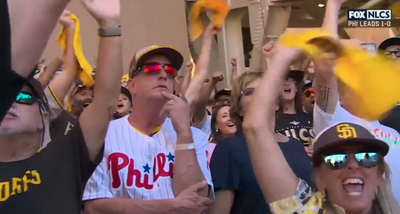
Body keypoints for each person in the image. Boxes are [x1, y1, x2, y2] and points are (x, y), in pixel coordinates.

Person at [242, 40, 400, 213]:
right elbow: (255, 127)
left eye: (367, 156)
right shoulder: (308, 210)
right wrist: (281, 60)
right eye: (336, 160)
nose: (353, 165)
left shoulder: (393, 133)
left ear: (380, 173)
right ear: (319, 177)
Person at [0, 0, 122, 212]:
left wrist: (109, 23)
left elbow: (105, 102)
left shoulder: (68, 157)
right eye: (9, 96)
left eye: (25, 97)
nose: (12, 102)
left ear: (43, 118)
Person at [83, 46, 213, 214]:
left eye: (170, 71)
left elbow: (198, 200)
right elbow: (94, 207)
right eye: (151, 69)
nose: (163, 75)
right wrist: (171, 206)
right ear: (132, 85)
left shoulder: (194, 136)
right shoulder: (103, 134)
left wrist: (184, 133)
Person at [312, 0, 400, 203]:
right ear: (340, 94)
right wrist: (333, 5)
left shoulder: (393, 133)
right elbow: (324, 62)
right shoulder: (333, 120)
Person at [207, 71, 314, 214]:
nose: (259, 95)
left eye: (265, 89)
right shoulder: (229, 148)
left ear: (277, 104)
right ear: (239, 108)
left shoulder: (295, 146)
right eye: (250, 92)